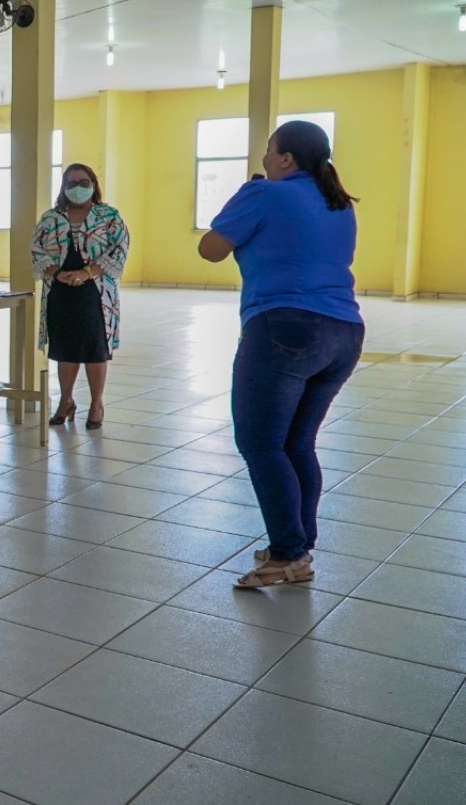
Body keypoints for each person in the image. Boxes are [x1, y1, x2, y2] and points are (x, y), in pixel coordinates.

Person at [198, 120, 363, 589]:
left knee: (261, 443)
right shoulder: (338, 202)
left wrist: (242, 197)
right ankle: (298, 549)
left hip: (285, 330)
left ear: (286, 158)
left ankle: (287, 552)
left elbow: (210, 249)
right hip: (344, 333)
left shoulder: (266, 194)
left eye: (270, 151)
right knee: (296, 444)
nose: (266, 159)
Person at [31, 163, 130, 431]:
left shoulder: (108, 216)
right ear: (63, 187)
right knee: (65, 348)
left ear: (94, 184)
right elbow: (37, 250)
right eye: (71, 183)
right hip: (60, 290)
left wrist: (87, 273)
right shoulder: (51, 218)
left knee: (95, 348)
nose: (78, 188)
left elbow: (119, 249)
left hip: (95, 291)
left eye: (84, 182)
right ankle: (66, 401)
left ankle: (97, 404)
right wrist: (57, 273)